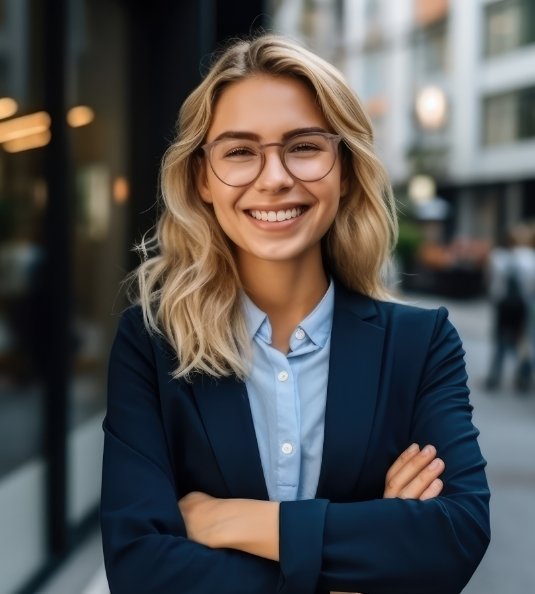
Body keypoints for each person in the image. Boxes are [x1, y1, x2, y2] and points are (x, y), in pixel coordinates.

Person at [100, 33, 490, 594]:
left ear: (345, 169)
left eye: (304, 146)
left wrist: (234, 522)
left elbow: (454, 536)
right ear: (202, 179)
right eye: (239, 151)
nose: (276, 177)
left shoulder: (420, 344)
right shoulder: (152, 343)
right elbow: (141, 569)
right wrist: (363, 551)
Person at [484, 223, 535, 392]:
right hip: (524, 306)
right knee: (524, 342)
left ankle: (494, 376)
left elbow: (490, 282)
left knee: (500, 339)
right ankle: (523, 377)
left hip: (502, 304)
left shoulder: (498, 256)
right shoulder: (531, 259)